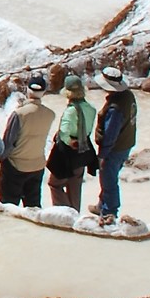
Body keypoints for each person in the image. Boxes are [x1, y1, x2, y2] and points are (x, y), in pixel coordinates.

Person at [0, 76, 55, 208]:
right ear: (44, 92)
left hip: (15, 165)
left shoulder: (19, 114)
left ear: (27, 91)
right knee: (33, 207)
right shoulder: (50, 114)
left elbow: (8, 142)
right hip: (37, 165)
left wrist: (2, 159)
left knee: (9, 207)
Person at [93, 67, 138, 221]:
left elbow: (110, 134)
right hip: (126, 143)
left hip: (114, 148)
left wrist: (103, 154)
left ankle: (109, 212)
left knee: (109, 179)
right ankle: (101, 204)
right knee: (110, 176)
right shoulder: (128, 96)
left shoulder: (115, 108)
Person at [46, 78, 99, 210]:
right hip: (84, 149)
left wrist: (70, 142)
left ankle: (64, 211)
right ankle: (75, 212)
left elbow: (64, 133)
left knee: (55, 184)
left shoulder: (70, 111)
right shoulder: (91, 109)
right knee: (75, 185)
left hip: (68, 151)